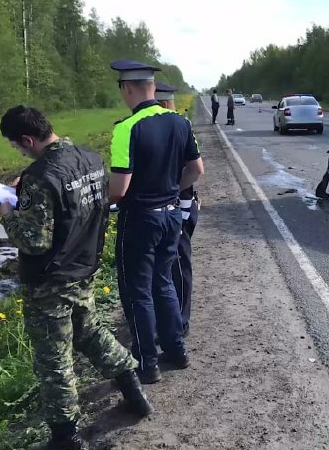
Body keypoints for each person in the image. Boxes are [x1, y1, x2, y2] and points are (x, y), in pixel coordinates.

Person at [0, 105, 153, 450]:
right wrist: (29, 196)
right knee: (90, 331)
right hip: (84, 266)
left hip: (50, 281)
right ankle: (132, 387)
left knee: (54, 359)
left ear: (27, 139)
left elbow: (35, 242)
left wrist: (7, 213)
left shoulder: (41, 175)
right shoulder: (89, 158)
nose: (19, 152)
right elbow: (76, 205)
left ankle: (66, 437)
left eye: (17, 147)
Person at [108, 59, 204, 384]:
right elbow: (196, 170)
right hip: (172, 215)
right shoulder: (180, 123)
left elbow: (119, 189)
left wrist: (99, 200)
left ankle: (147, 363)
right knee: (164, 283)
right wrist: (171, 190)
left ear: (128, 88)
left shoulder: (126, 129)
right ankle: (176, 351)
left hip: (140, 219)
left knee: (138, 292)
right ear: (152, 87)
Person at [155, 81, 200, 337]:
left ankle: (179, 324)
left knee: (178, 266)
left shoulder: (176, 127)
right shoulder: (182, 125)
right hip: (180, 205)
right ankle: (172, 321)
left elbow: (194, 170)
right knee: (171, 266)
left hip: (178, 206)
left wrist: (170, 188)